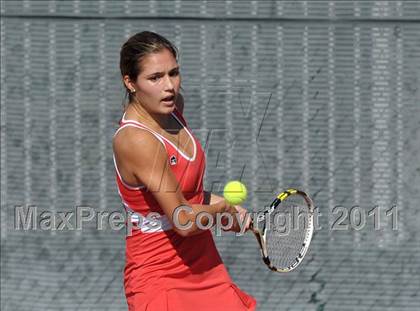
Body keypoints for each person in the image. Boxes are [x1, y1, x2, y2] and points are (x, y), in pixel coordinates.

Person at [113, 31, 257, 311]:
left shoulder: (174, 109)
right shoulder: (136, 140)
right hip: (159, 275)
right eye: (154, 78)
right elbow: (183, 220)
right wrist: (224, 209)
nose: (169, 86)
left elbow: (186, 193)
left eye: (173, 73)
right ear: (130, 82)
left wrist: (221, 210)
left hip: (204, 265)